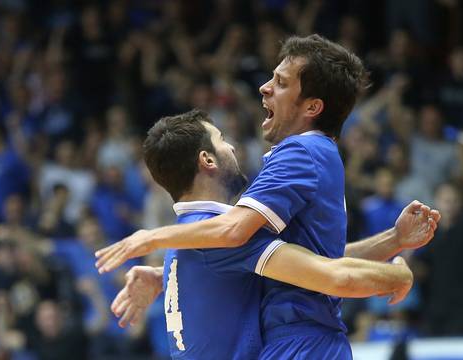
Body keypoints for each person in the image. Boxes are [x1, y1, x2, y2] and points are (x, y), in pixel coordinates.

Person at [96, 35, 440, 359]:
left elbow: (292, 258)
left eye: (281, 82)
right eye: (221, 139)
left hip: (302, 342)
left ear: (312, 107)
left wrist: (155, 244)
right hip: (302, 341)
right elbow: (314, 263)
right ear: (207, 161)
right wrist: (395, 250)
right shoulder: (203, 235)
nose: (265, 87)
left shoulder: (299, 152)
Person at [110, 109, 419, 359]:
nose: (231, 147)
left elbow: (309, 263)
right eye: (221, 140)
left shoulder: (188, 240)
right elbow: (333, 275)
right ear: (207, 160)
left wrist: (393, 240)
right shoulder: (221, 236)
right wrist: (398, 276)